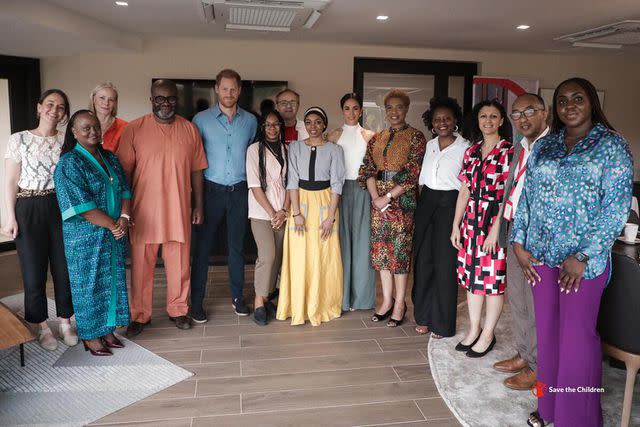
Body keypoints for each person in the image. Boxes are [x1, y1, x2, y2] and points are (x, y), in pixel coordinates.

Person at [511, 77, 633, 427]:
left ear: (591, 102)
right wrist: (518, 242)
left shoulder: (611, 147)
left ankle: (575, 418)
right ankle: (547, 407)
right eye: (562, 101)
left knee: (577, 341)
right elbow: (527, 199)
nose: (570, 106)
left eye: (577, 98)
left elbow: (616, 208)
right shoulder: (545, 146)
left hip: (582, 264)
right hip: (540, 257)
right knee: (546, 338)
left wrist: (583, 256)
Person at [117, 79, 208, 336]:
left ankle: (178, 309)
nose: (165, 104)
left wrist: (198, 205)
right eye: (159, 98)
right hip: (143, 212)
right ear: (151, 100)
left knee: (179, 264)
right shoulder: (134, 129)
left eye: (170, 99)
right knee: (140, 268)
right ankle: (140, 314)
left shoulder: (189, 130)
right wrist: (126, 210)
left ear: (176, 101)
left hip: (178, 210)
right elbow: (124, 174)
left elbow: (197, 172)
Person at [2, 89, 77, 351]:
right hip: (28, 206)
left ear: (64, 113)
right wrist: (10, 217)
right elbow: (10, 181)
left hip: (59, 206)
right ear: (39, 107)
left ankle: (65, 321)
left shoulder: (66, 141)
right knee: (33, 270)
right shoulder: (19, 139)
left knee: (63, 267)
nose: (54, 110)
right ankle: (42, 326)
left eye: (60, 106)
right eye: (50, 104)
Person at [54, 110, 131, 356]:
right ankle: (89, 335)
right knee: (89, 285)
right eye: (86, 128)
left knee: (111, 281)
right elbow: (81, 206)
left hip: (113, 233)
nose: (93, 132)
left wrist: (124, 218)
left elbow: (125, 190)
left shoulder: (110, 157)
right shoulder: (69, 163)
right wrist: (112, 224)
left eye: (96, 127)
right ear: (74, 132)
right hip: (85, 236)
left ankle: (107, 329)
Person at [191, 69, 257, 321]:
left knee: (237, 248)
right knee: (203, 249)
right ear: (216, 89)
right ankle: (196, 302)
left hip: (240, 192)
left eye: (234, 89)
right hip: (210, 192)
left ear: (239, 91)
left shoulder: (250, 122)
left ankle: (238, 298)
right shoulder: (200, 120)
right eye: (225, 88)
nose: (229, 93)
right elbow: (195, 159)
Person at [492, 93, 549, 390]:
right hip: (514, 228)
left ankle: (539, 366)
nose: (523, 118)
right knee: (516, 297)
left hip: (538, 236)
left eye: (529, 111)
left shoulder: (554, 148)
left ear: (544, 113)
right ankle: (525, 354)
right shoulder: (520, 147)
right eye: (517, 114)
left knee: (535, 301)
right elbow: (511, 189)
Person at [358, 89, 427, 327]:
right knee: (381, 251)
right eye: (389, 108)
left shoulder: (416, 137)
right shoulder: (377, 138)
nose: (394, 112)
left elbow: (412, 173)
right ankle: (386, 301)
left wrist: (387, 197)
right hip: (378, 200)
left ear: (406, 109)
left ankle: (400, 303)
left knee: (399, 252)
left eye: (399, 107)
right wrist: (377, 198)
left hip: (402, 200)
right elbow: (367, 169)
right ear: (384, 111)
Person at [451, 99, 513, 357]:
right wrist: (456, 224)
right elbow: (464, 190)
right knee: (472, 279)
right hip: (470, 222)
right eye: (483, 116)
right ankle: (474, 328)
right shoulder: (471, 151)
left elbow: (508, 194)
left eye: (493, 116)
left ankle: (489, 334)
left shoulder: (509, 152)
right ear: (477, 121)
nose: (488, 120)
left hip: (494, 220)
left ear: (501, 121)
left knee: (492, 281)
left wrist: (495, 230)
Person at [276, 107, 345, 326]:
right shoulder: (295, 147)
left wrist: (330, 216)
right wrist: (295, 213)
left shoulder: (335, 150)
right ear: (303, 125)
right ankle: (298, 306)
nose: (312, 126)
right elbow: (292, 181)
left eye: (317, 122)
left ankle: (320, 304)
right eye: (308, 122)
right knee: (299, 256)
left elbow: (337, 184)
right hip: (301, 205)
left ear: (324, 124)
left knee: (323, 257)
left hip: (325, 204)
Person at [412, 97, 469, 338]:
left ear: (455, 119)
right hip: (427, 202)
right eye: (437, 119)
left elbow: (466, 185)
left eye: (447, 118)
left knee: (445, 264)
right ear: (431, 123)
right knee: (423, 261)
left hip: (451, 204)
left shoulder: (466, 147)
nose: (442, 123)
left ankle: (442, 323)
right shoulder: (430, 145)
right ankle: (423, 316)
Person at [327, 93, 376, 311]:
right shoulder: (333, 136)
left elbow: (375, 167)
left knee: (363, 242)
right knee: (341, 242)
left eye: (355, 108)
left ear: (361, 111)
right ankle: (342, 298)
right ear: (342, 110)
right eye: (347, 108)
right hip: (339, 190)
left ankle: (362, 299)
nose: (351, 112)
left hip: (364, 188)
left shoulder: (370, 136)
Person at [246, 110, 288, 326]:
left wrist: (284, 212)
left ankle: (269, 295)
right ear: (262, 128)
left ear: (281, 126)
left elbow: (292, 184)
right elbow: (254, 186)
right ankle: (259, 300)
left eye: (276, 125)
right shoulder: (254, 150)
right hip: (262, 212)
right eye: (267, 125)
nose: (272, 129)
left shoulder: (286, 149)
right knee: (268, 256)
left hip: (283, 212)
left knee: (279, 258)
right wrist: (273, 213)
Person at [89, 82, 128, 153]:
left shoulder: (125, 127)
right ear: (93, 99)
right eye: (102, 98)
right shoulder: (82, 124)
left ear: (115, 103)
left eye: (111, 100)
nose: (106, 103)